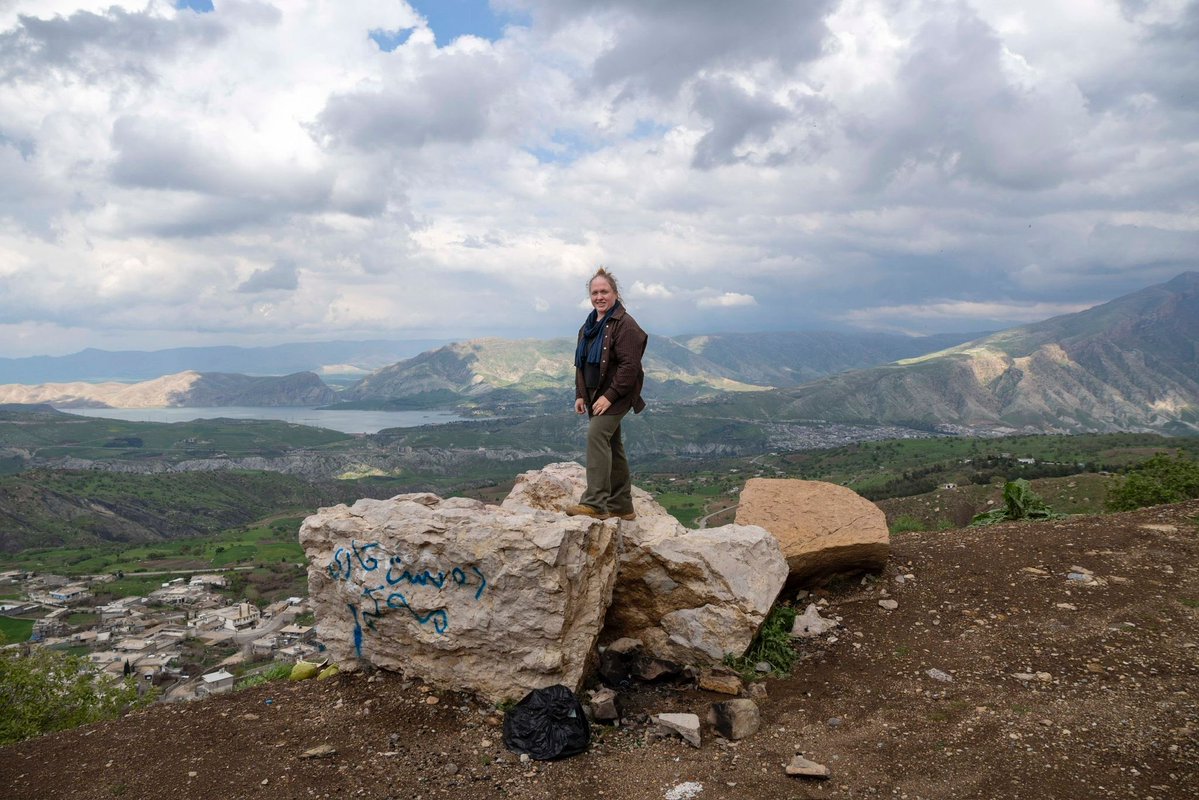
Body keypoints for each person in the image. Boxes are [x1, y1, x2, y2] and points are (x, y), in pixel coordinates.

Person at [565, 267, 648, 521]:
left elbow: (629, 367)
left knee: (596, 435)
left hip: (618, 394)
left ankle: (595, 503)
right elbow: (581, 363)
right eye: (595, 292)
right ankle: (622, 505)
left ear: (615, 293)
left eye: (604, 291)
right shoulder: (589, 325)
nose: (599, 297)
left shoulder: (626, 325)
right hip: (594, 393)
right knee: (613, 443)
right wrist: (581, 394)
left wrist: (609, 396)